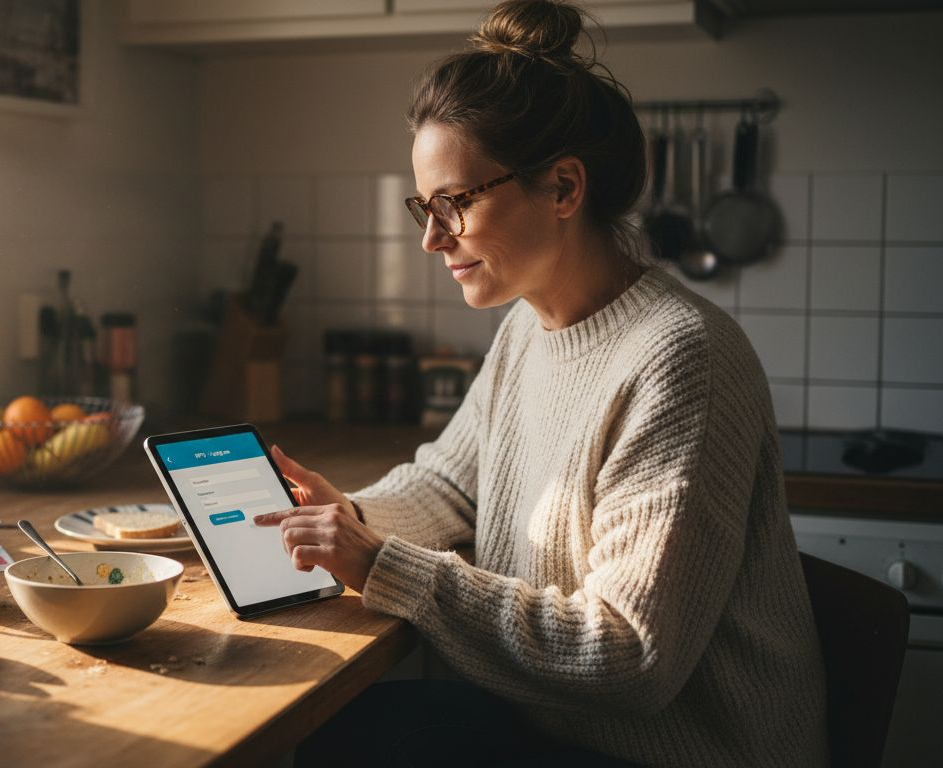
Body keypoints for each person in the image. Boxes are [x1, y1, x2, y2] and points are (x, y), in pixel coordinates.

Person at [251, 1, 829, 765]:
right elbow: (454, 489)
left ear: (562, 188)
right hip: (553, 729)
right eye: (425, 207)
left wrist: (380, 564)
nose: (431, 238)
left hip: (676, 754)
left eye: (454, 202)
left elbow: (630, 655)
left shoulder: (681, 358)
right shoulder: (529, 326)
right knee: (332, 735)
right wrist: (345, 514)